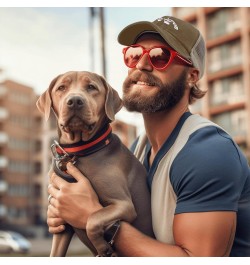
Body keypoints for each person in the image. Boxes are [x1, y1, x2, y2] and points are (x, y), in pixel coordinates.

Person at [47, 15, 250, 257]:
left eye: (159, 57)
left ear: (191, 76)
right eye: (134, 54)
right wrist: (67, 211)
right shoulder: (137, 149)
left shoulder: (207, 152)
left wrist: (93, 216)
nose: (141, 64)